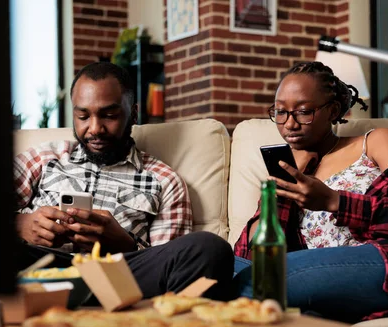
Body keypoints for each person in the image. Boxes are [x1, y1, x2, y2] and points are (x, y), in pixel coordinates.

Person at [233, 61, 388, 323]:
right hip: (314, 277)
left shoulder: (375, 142)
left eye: (303, 112)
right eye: (280, 112)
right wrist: (278, 196)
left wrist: (334, 201)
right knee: (212, 263)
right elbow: (248, 255)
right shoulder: (291, 170)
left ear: (333, 110)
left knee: (247, 283)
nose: (289, 124)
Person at [13, 61, 233, 299]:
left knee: (208, 248)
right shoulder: (43, 158)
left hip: (120, 279)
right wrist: (20, 225)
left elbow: (166, 260)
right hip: (40, 269)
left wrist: (125, 245)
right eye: (83, 116)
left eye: (109, 115)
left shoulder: (165, 180)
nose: (95, 128)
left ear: (133, 114)